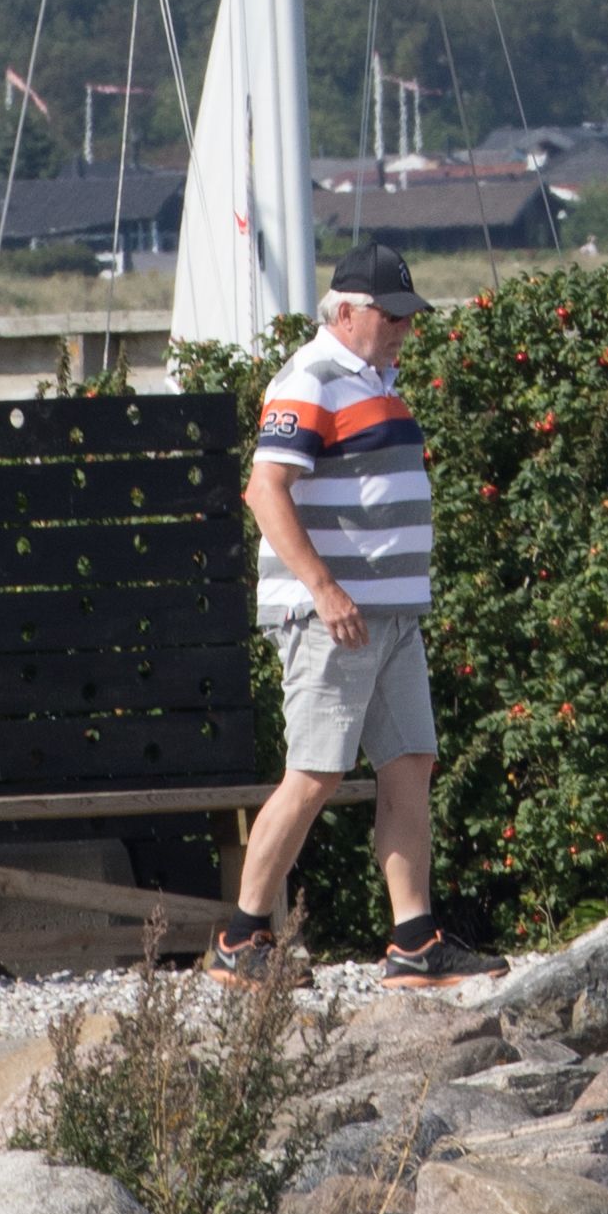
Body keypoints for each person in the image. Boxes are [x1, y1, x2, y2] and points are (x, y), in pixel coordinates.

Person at [216, 245, 485, 990]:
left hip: (391, 617)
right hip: (333, 616)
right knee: (314, 773)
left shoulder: (378, 380)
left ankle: (414, 940)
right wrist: (326, 589)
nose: (404, 327)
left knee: (410, 765)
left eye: (409, 315)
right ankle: (242, 937)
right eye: (390, 314)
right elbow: (264, 489)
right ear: (345, 312)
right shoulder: (310, 376)